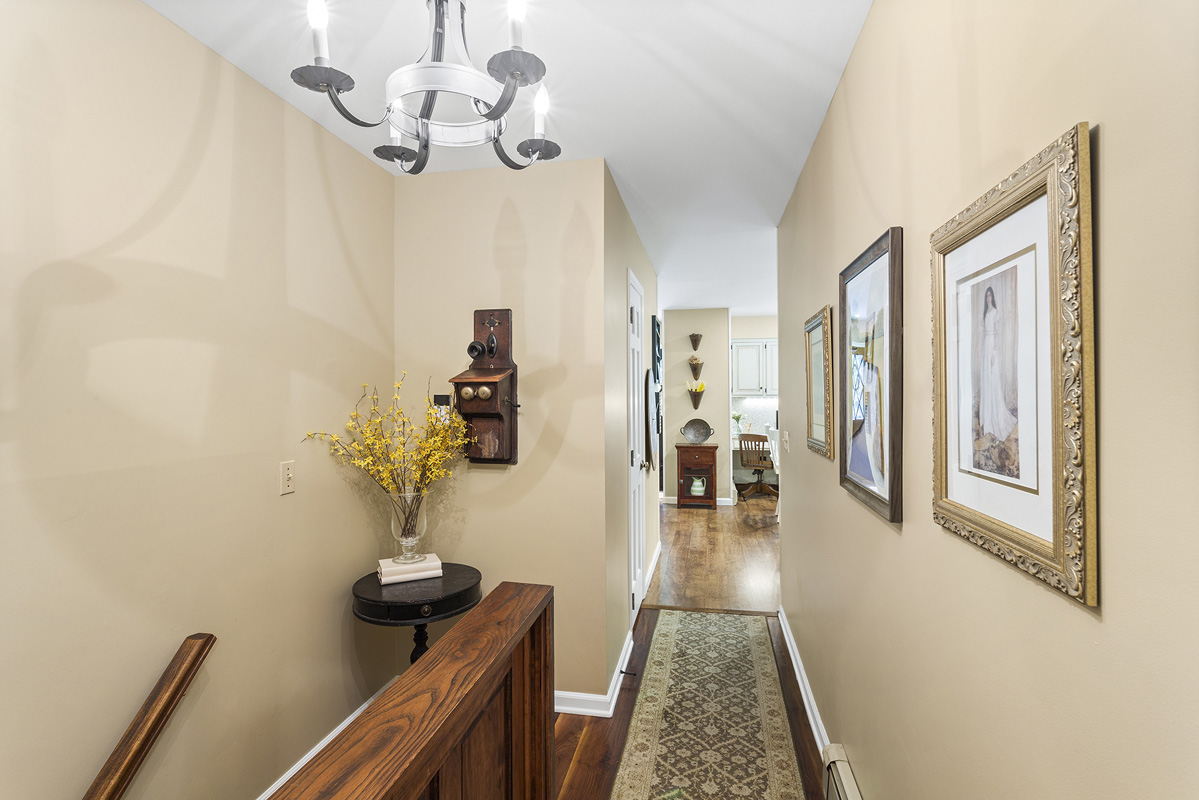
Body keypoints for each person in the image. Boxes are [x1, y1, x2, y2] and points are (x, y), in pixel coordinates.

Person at [978, 285, 1017, 442]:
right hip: (985, 347)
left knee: (993, 381)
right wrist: (984, 352)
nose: (988, 299)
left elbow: (998, 336)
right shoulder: (985, 313)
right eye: (986, 296)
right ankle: (986, 419)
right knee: (986, 381)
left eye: (990, 296)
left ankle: (996, 418)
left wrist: (993, 354)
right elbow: (984, 334)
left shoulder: (995, 313)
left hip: (992, 348)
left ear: (993, 297)